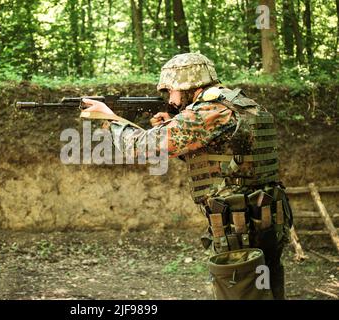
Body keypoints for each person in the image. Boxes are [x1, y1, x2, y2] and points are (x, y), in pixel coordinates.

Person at [81, 53, 293, 300]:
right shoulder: (240, 103)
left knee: (242, 293)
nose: (169, 98)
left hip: (240, 227)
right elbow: (225, 160)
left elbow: (141, 148)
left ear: (187, 85)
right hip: (266, 219)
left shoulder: (209, 110)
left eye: (170, 90)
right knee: (266, 292)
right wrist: (173, 124)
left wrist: (109, 120)